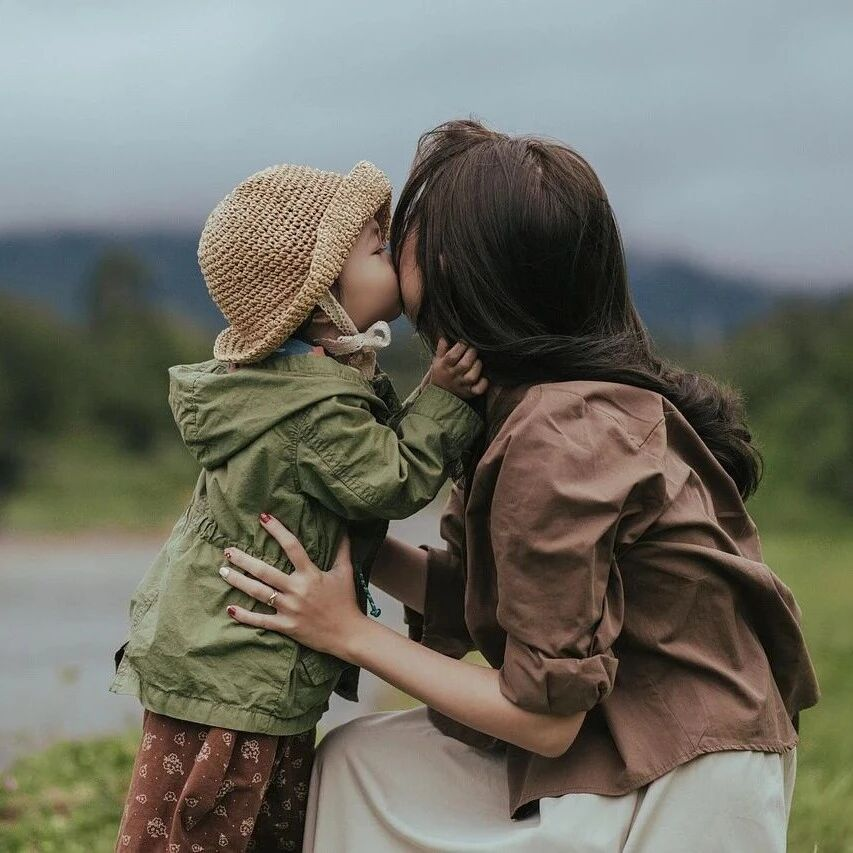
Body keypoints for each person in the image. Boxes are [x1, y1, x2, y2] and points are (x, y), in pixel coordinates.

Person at [217, 120, 820, 852]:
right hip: (626, 733)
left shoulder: (558, 433)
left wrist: (346, 630)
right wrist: (343, 540)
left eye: (396, 237)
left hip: (680, 779)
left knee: (367, 770)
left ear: (451, 266)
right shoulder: (532, 403)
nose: (384, 248)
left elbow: (542, 713)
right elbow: (492, 598)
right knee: (358, 765)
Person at [110, 159, 487, 852]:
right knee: (218, 826)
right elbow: (388, 479)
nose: (393, 253)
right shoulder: (308, 407)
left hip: (230, 659)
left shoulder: (297, 384)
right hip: (235, 671)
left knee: (242, 822)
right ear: (320, 299)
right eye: (377, 250)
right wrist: (445, 400)